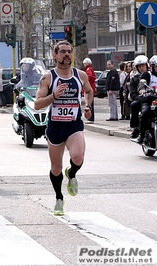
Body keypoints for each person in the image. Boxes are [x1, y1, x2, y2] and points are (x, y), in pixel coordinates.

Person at [34, 40, 93, 216]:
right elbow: (37, 104)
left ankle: (72, 173)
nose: (67, 55)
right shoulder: (48, 77)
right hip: (55, 126)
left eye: (69, 52)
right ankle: (59, 198)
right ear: (55, 55)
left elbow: (89, 91)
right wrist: (54, 95)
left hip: (74, 124)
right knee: (56, 167)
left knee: (78, 156)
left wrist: (88, 106)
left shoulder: (80, 75)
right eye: (63, 52)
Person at [131, 55, 157, 144]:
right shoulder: (147, 74)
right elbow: (142, 83)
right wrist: (142, 90)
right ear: (152, 66)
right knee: (145, 112)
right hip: (149, 100)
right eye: (156, 66)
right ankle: (141, 135)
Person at [129, 55, 149, 139]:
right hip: (141, 99)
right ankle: (136, 127)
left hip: (152, 98)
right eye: (139, 66)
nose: (142, 68)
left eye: (143, 65)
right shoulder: (134, 79)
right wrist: (140, 98)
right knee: (134, 105)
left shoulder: (151, 75)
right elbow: (133, 94)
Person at [83, 58, 96, 123]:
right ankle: (90, 117)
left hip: (89, 87)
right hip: (91, 87)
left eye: (84, 64)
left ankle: (90, 118)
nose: (84, 65)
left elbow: (89, 76)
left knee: (89, 103)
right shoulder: (90, 69)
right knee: (90, 103)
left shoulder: (88, 69)